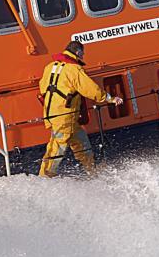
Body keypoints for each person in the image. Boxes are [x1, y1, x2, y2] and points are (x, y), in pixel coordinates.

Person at [38, 40, 123, 177]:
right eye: (82, 53)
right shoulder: (74, 69)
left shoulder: (50, 67)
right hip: (64, 116)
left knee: (82, 142)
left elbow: (43, 87)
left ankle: (92, 172)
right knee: (56, 148)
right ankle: (44, 177)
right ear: (77, 52)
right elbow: (91, 90)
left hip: (55, 114)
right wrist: (110, 99)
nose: (83, 56)